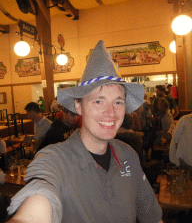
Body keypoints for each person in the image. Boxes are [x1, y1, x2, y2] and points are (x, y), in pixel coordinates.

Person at [7, 40, 163, 223]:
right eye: (98, 101)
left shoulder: (127, 154)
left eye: (118, 101)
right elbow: (40, 197)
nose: (111, 112)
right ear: (78, 106)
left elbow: (152, 217)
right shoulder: (54, 158)